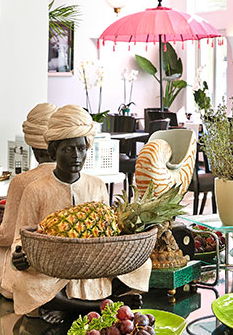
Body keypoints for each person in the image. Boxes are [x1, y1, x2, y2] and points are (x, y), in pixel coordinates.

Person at [10, 105, 151, 320]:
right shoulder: (35, 190)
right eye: (68, 149)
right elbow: (19, 238)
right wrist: (18, 255)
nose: (76, 156)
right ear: (53, 152)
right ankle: (104, 304)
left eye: (81, 148)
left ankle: (69, 306)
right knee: (25, 282)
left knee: (143, 265)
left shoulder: (97, 185)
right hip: (53, 266)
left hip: (93, 263)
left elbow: (107, 232)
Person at [0, 102, 57, 299]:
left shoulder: (22, 181)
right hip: (68, 268)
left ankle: (10, 288)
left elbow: (7, 235)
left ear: (32, 146)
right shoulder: (79, 179)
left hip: (29, 266)